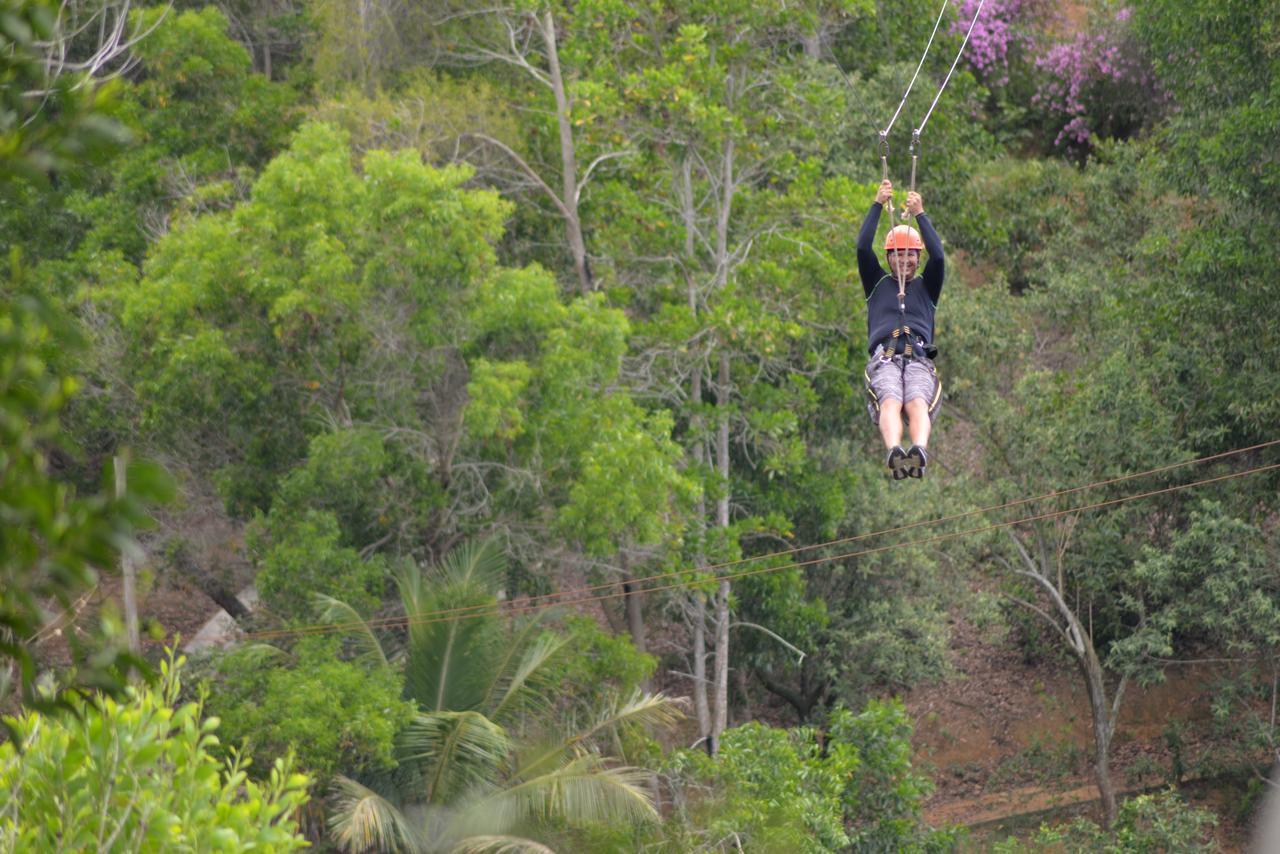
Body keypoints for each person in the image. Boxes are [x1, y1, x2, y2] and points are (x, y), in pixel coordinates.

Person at [857, 179, 944, 479]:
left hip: (918, 358)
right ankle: (894, 449)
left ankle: (919, 449)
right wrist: (877, 204)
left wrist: (921, 213)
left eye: (910, 255)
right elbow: (861, 246)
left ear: (918, 259)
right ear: (888, 258)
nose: (905, 260)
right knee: (891, 399)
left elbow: (940, 256)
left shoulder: (926, 287)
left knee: (916, 400)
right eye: (898, 254)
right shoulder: (877, 284)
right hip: (885, 358)